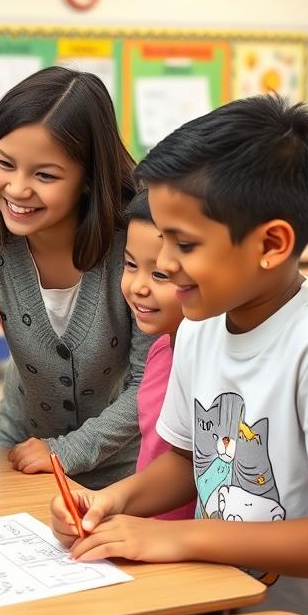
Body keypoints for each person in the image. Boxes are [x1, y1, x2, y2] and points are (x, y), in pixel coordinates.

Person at [50, 97, 308, 615]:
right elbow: (185, 462)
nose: (164, 263)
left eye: (184, 244)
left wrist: (182, 538)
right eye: (160, 237)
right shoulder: (200, 324)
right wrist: (114, 501)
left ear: (271, 245)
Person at [0, 67, 150, 498]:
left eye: (45, 175)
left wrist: (66, 451)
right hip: (21, 456)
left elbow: (148, 383)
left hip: (123, 471)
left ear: (87, 180)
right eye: (4, 163)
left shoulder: (133, 241)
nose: (17, 189)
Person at [120, 190, 194, 520]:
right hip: (150, 539)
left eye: (160, 274)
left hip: (196, 550)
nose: (138, 286)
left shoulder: (212, 364)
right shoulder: (161, 349)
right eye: (130, 265)